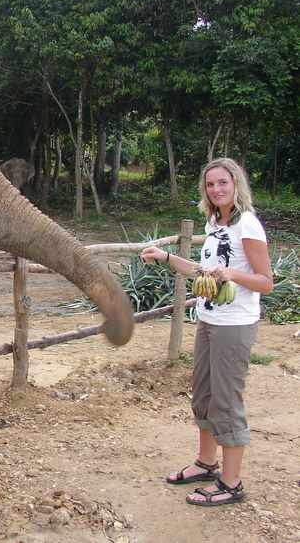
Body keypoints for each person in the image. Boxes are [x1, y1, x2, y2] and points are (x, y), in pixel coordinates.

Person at [141, 157, 273, 507]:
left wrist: (232, 275)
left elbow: (266, 282)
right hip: (210, 321)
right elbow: (204, 269)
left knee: (226, 401)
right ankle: (206, 463)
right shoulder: (216, 223)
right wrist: (166, 256)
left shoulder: (247, 225)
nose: (216, 189)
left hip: (235, 326)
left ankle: (231, 484)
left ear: (236, 186)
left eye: (223, 183)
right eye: (210, 184)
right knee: (202, 396)